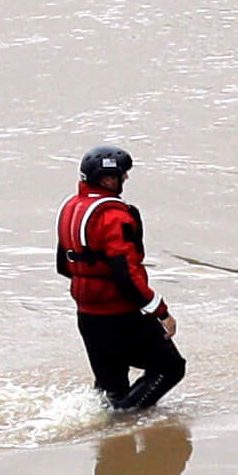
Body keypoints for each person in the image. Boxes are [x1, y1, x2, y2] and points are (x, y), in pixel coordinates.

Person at [58, 145, 185, 412]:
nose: (125, 179)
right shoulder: (114, 216)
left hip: (87, 314)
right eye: (122, 175)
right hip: (119, 313)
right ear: (107, 179)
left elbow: (63, 265)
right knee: (170, 367)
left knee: (109, 387)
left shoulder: (71, 208)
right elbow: (126, 274)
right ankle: (122, 423)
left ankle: (109, 438)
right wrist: (161, 312)